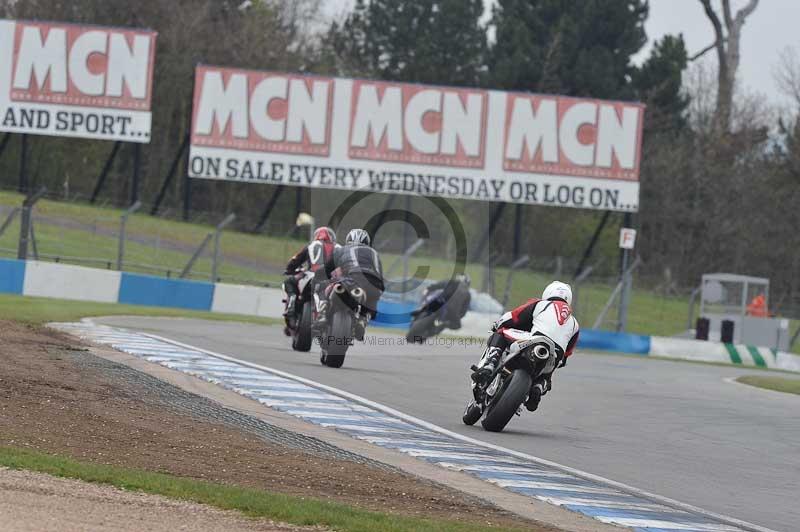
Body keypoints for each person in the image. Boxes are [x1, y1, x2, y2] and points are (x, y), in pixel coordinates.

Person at [470, 281, 579, 412]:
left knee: (501, 332)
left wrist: (497, 324)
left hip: (535, 339)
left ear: (548, 292)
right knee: (549, 371)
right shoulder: (575, 324)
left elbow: (514, 316)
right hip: (555, 354)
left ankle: (490, 364)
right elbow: (566, 356)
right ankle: (538, 387)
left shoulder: (540, 304)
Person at [315, 229, 384, 338]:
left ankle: (322, 314)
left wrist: (319, 277)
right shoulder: (375, 253)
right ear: (367, 242)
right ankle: (363, 320)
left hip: (353, 279)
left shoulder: (343, 249)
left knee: (328, 287)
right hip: (374, 284)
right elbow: (380, 274)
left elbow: (327, 268)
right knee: (372, 300)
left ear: (349, 239)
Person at [281, 227, 338, 332]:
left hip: (311, 276)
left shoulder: (311, 246)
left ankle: (292, 301)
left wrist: (289, 269)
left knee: (289, 282)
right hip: (333, 280)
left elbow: (295, 260)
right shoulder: (339, 247)